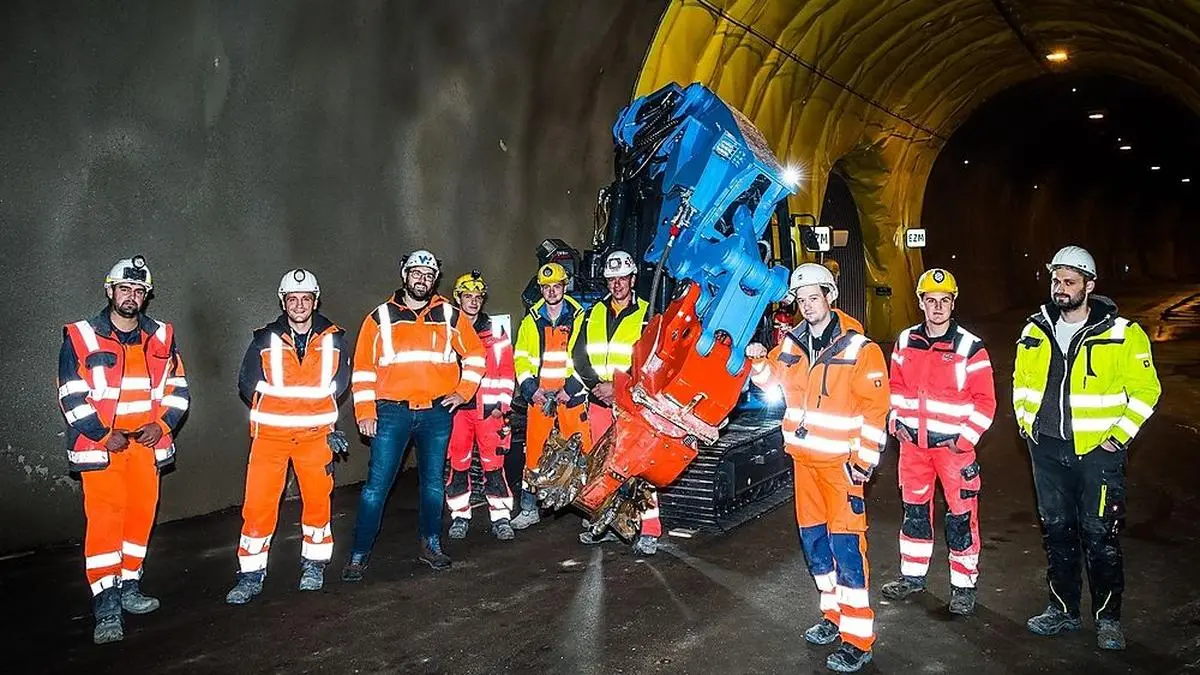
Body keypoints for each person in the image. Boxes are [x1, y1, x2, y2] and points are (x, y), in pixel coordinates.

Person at [1014, 245, 1160, 650]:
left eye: (1069, 281)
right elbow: (1021, 382)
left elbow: (1148, 391)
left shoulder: (1123, 333)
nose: (1060, 289)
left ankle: (1108, 619)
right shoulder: (1034, 330)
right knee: (1057, 533)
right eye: (1055, 280)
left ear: (1089, 286)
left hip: (1098, 454)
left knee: (1100, 536)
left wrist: (1120, 435)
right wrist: (1027, 423)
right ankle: (1062, 610)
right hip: (1047, 451)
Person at [747, 263, 889, 673]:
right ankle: (832, 616)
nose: (807, 306)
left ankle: (858, 638)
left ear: (830, 297)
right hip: (803, 464)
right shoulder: (791, 344)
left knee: (847, 549)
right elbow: (770, 385)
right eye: (801, 300)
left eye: (814, 297)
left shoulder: (860, 349)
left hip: (842, 468)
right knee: (815, 545)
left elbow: (875, 411)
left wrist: (863, 463)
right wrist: (759, 364)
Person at [56, 256, 190, 644]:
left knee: (139, 520)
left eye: (138, 291)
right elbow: (71, 395)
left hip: (145, 447)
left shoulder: (162, 336)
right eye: (124, 289)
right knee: (104, 526)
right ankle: (106, 606)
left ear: (146, 297)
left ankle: (130, 586)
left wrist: (161, 425)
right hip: (104, 451)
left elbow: (178, 389)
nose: (130, 297)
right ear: (110, 290)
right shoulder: (81, 336)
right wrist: (101, 434)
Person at [343, 250, 486, 578]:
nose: (421, 279)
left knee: (434, 485)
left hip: (436, 413)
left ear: (435, 280)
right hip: (391, 414)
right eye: (415, 272)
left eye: (428, 274)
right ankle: (359, 553)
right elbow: (363, 368)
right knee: (376, 487)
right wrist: (365, 411)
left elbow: (476, 355)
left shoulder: (450, 315)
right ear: (404, 274)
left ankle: (430, 544)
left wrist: (462, 392)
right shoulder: (379, 317)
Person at [225, 269, 351, 604]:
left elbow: (340, 384)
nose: (299, 305)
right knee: (258, 506)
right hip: (271, 439)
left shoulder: (335, 338)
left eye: (305, 299)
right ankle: (251, 575)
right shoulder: (263, 339)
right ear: (284, 302)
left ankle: (314, 565)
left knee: (317, 504)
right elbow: (246, 384)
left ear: (315, 301)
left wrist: (320, 420)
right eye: (292, 299)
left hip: (315, 438)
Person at [880, 268, 996, 616]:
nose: (938, 308)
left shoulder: (970, 347)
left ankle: (963, 587)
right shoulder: (904, 341)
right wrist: (895, 422)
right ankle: (913, 578)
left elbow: (986, 402)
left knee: (961, 518)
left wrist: (963, 440)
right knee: (914, 513)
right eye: (931, 301)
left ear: (953, 303)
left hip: (952, 451)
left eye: (944, 301)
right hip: (913, 448)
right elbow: (895, 387)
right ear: (921, 303)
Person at [569, 250, 658, 555]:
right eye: (612, 279)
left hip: (634, 405)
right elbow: (578, 355)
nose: (617, 284)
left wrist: (617, 388)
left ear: (633, 279)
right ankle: (604, 523)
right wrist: (598, 386)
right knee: (602, 466)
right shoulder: (591, 313)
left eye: (623, 278)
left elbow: (652, 362)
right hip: (600, 403)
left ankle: (648, 529)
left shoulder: (649, 314)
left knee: (640, 466)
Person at [509, 262, 591, 530]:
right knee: (533, 453)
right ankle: (529, 508)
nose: (552, 291)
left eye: (556, 286)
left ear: (564, 287)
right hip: (541, 397)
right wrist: (532, 390)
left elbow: (586, 358)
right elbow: (521, 358)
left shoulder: (581, 316)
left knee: (582, 453)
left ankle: (588, 510)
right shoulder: (531, 319)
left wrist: (572, 388)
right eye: (546, 287)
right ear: (541, 289)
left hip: (572, 394)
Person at [444, 271, 518, 541]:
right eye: (468, 296)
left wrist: (503, 404)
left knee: (494, 466)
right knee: (459, 465)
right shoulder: (447, 331)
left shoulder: (496, 332)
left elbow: (507, 371)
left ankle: (500, 517)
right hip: (458, 412)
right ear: (458, 298)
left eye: (478, 297)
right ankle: (459, 515)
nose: (473, 302)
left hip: (490, 412)